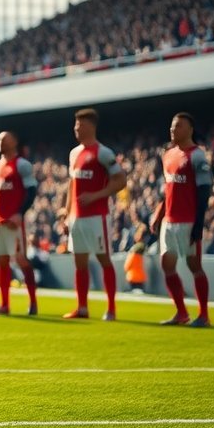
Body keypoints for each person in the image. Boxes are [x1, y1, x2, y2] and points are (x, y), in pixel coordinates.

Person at [60, 108, 127, 320]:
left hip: (97, 216)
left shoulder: (103, 153)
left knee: (103, 259)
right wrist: (67, 212)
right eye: (75, 125)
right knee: (79, 262)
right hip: (77, 218)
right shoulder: (74, 153)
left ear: (91, 126)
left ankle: (111, 308)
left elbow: (120, 181)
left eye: (80, 125)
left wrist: (97, 195)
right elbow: (72, 184)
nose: (76, 129)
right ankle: (82, 308)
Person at [149, 112, 214, 326]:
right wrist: (159, 214)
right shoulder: (168, 155)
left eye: (178, 126)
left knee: (194, 265)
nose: (172, 130)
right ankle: (181, 312)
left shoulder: (197, 156)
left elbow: (204, 191)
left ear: (189, 130)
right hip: (169, 220)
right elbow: (167, 191)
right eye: (171, 126)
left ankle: (204, 315)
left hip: (188, 220)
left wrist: (198, 224)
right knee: (167, 265)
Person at [0, 132, 39, 315]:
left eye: (4, 139)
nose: (0, 142)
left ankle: (33, 301)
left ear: (14, 141)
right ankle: (4, 304)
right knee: (2, 261)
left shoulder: (22, 165)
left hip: (13, 222)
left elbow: (31, 191)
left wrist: (19, 213)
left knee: (21, 260)